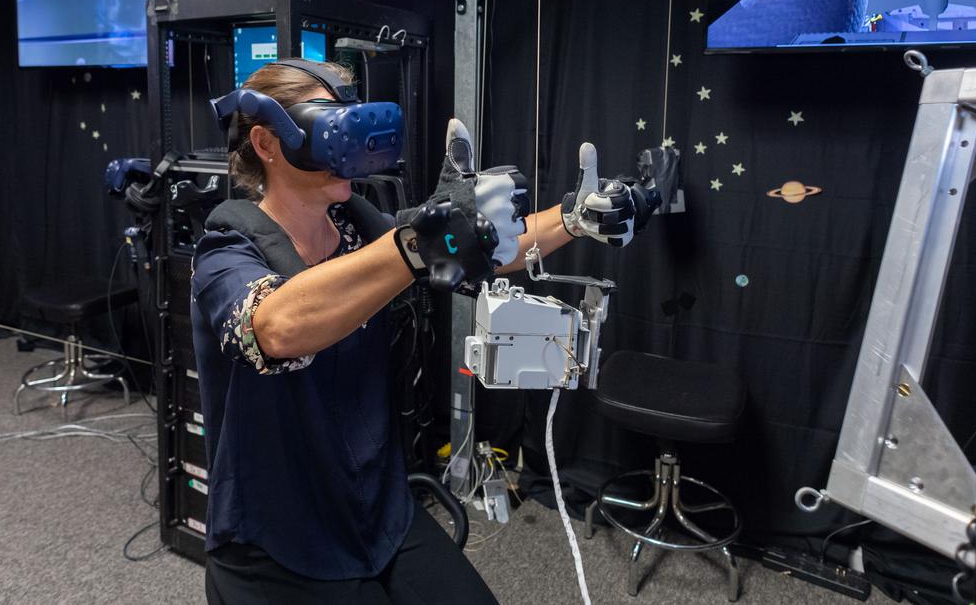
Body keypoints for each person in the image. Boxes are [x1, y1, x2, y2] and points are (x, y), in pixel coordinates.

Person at [191, 60, 649, 604]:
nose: (351, 153)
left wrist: (572, 219)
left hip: (376, 509)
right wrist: (418, 244)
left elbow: (481, 248)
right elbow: (275, 327)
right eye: (328, 132)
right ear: (267, 143)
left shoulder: (359, 229)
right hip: (280, 538)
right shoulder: (227, 250)